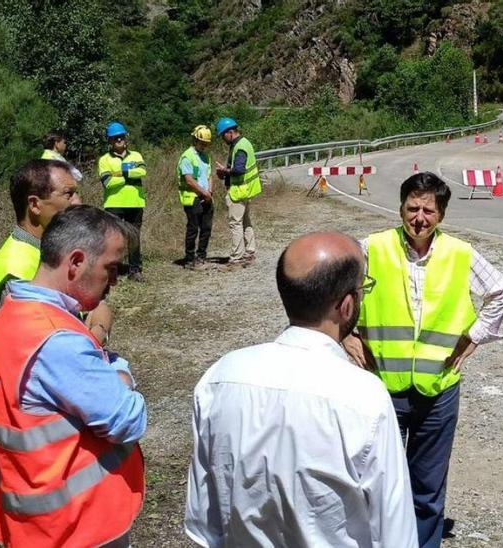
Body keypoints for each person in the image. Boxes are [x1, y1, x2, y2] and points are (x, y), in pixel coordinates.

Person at [185, 231, 417, 547]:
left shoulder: (220, 376)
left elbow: (203, 520)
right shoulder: (364, 397)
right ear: (347, 305)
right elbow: (394, 530)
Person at [342, 172, 503, 548]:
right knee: (373, 480)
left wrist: (476, 336)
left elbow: (500, 290)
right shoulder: (371, 247)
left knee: (427, 486)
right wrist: (346, 334)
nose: (419, 217)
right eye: (412, 208)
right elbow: (335, 286)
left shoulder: (460, 253)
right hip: (380, 386)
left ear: (441, 215)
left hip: (439, 389)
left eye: (428, 210)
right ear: (400, 207)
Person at [0, 205, 146, 547]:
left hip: (35, 526)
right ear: (76, 262)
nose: (114, 281)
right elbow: (129, 418)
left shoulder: (15, 314)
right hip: (76, 528)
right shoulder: (58, 341)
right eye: (110, 268)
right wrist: (119, 371)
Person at [0, 158, 112, 343]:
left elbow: (92, 306)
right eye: (68, 194)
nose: (78, 202)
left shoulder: (52, 249)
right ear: (34, 205)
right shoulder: (15, 273)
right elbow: (38, 351)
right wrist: (97, 334)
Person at [99, 121, 148, 281]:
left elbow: (142, 171)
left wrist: (120, 173)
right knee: (113, 238)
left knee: (134, 238)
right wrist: (129, 174)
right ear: (110, 141)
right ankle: (112, 270)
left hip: (135, 203)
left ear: (125, 138)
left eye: (121, 137)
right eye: (115, 138)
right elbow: (108, 182)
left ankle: (135, 270)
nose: (119, 140)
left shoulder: (136, 155)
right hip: (114, 204)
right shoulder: (104, 160)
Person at [213, 117, 260, 266]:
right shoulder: (245, 143)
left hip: (239, 191)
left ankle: (237, 256)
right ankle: (250, 252)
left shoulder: (239, 147)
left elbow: (239, 170)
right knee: (246, 221)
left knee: (235, 223)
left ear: (230, 132)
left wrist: (224, 171)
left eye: (223, 135)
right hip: (246, 190)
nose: (222, 139)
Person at [178, 125, 215, 269]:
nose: (204, 145)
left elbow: (209, 175)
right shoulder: (187, 156)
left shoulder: (206, 157)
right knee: (193, 228)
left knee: (206, 228)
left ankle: (201, 257)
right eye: (202, 142)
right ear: (195, 140)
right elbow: (189, 180)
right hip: (192, 197)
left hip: (206, 196)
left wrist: (209, 191)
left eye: (206, 143)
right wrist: (203, 192)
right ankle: (189, 259)